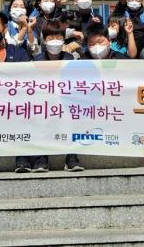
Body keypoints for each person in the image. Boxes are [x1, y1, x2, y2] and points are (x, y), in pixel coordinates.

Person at [22, 20, 83, 173]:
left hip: (65, 103)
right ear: (44, 40)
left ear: (63, 40)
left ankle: (72, 158)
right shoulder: (37, 60)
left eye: (58, 37)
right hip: (43, 103)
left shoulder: (70, 58)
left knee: (73, 118)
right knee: (39, 120)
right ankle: (41, 159)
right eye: (50, 38)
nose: (55, 41)